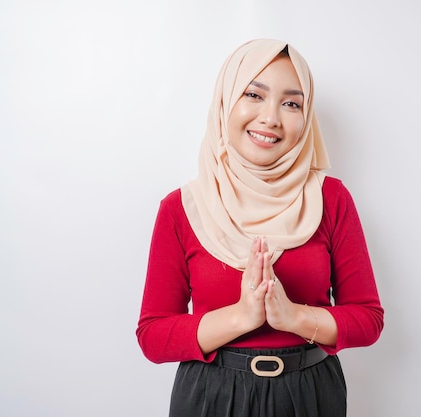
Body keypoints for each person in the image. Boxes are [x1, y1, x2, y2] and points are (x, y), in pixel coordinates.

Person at [136, 38, 384, 417]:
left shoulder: (329, 198)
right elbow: (153, 336)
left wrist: (293, 317)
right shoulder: (182, 207)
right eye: (253, 94)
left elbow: (368, 318)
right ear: (226, 101)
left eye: (291, 103)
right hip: (210, 396)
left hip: (310, 394)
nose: (271, 117)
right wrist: (241, 316)